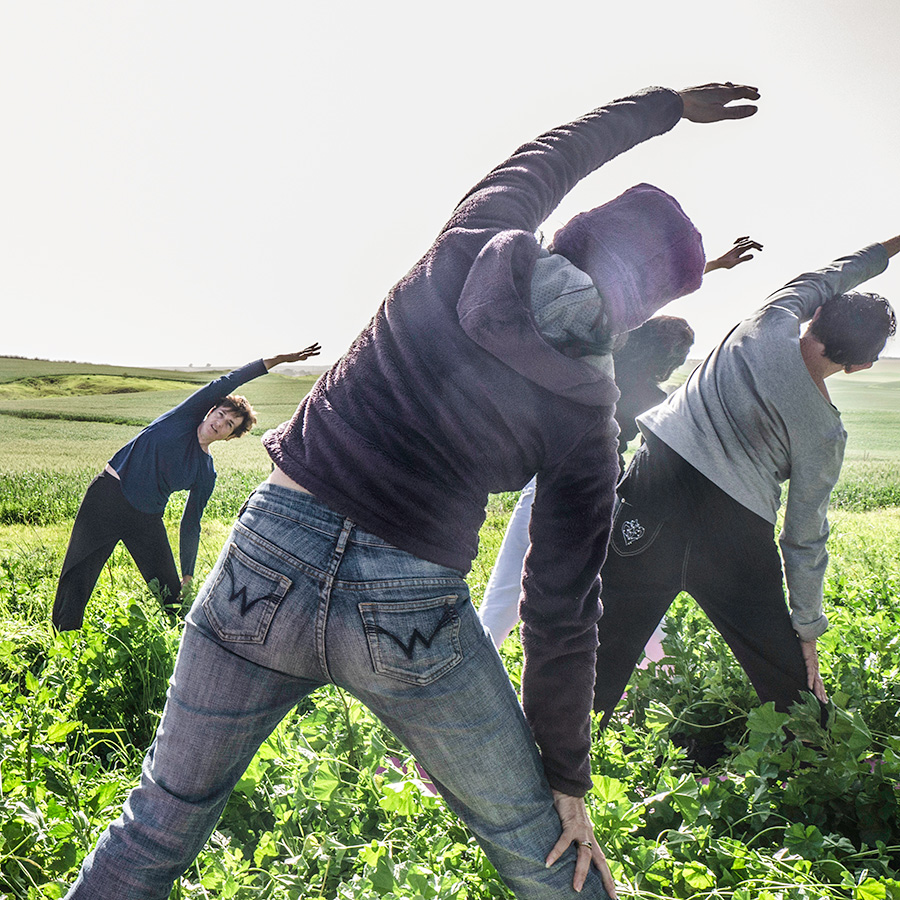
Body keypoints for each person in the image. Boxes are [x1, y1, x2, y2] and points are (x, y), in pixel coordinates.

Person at [64, 82, 759, 900]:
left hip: (264, 562)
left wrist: (667, 106)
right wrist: (566, 779)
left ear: (575, 227)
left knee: (154, 827)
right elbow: (564, 604)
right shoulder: (590, 409)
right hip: (411, 616)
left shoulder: (476, 236)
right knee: (545, 851)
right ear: (640, 310)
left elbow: (560, 150)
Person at [592, 237, 898, 732]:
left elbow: (837, 270)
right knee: (789, 686)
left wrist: (892, 244)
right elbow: (803, 536)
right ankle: (821, 771)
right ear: (861, 365)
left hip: (655, 490)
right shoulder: (825, 431)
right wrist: (806, 631)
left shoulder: (770, 319)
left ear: (814, 313)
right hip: (735, 535)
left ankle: (547, 772)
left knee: (596, 658)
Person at [478, 237, 761, 649]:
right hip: (598, 494)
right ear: (671, 362)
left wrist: (715, 264)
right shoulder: (655, 400)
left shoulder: (609, 352)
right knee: (623, 599)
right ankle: (664, 678)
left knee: (504, 600)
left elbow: (652, 288)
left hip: (547, 482)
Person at [52, 345, 321, 631]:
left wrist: (189, 574)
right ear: (210, 411)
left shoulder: (205, 471)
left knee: (171, 596)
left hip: (146, 518)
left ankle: (180, 648)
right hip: (108, 497)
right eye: (220, 414)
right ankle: (64, 641)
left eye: (229, 424)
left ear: (230, 436)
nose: (220, 422)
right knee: (79, 573)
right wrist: (277, 360)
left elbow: (191, 523)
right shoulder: (182, 418)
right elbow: (229, 381)